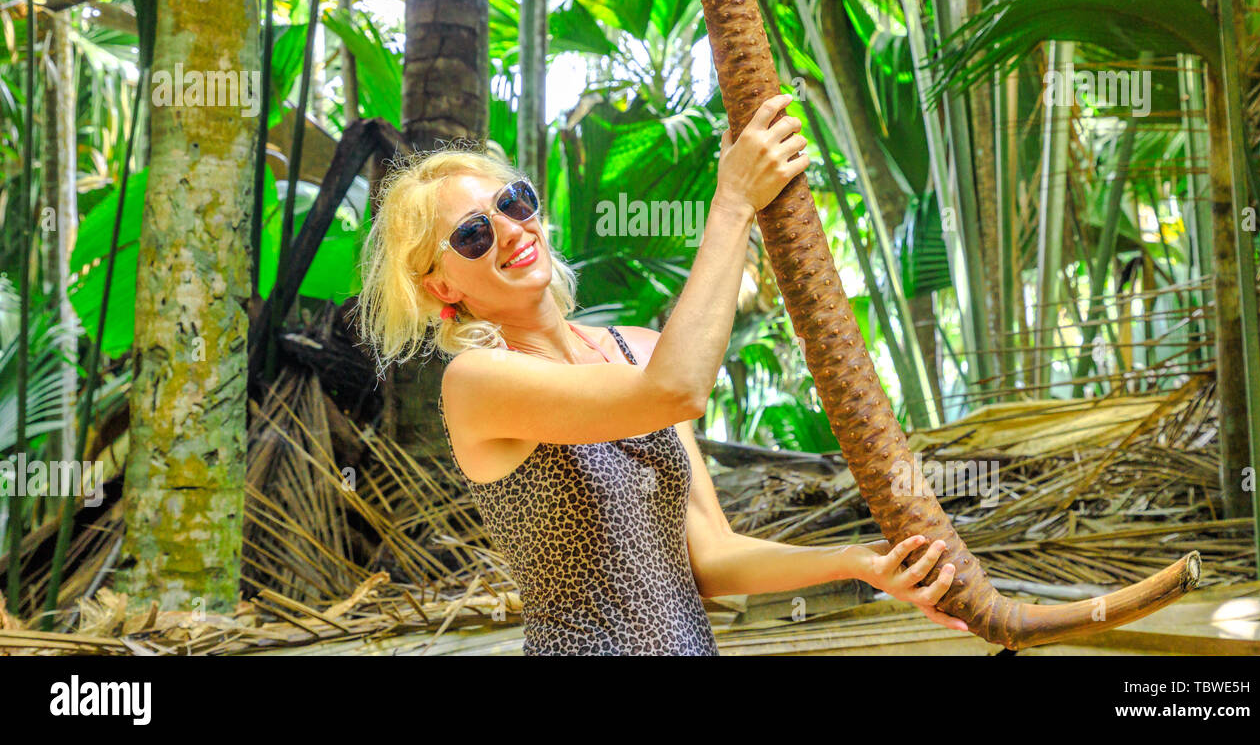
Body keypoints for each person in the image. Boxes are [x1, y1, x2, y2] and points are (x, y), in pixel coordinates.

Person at [352, 93, 967, 655]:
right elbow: (678, 390)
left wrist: (858, 562)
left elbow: (712, 557)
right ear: (440, 285)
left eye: (512, 202)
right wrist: (731, 204)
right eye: (472, 234)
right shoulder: (478, 382)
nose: (511, 230)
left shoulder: (639, 349)